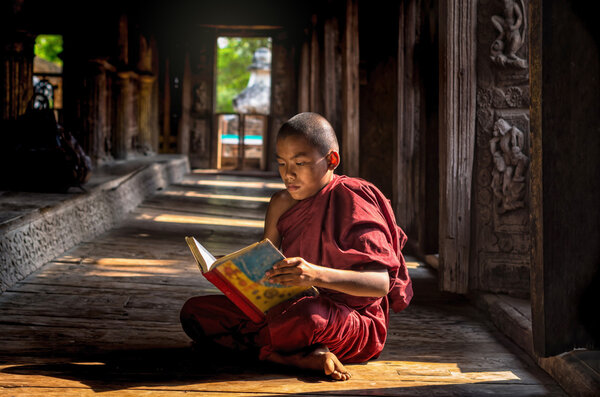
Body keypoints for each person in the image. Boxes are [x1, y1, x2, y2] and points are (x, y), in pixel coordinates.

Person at [180, 112, 413, 381]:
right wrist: (232, 271)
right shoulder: (280, 203)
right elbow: (265, 264)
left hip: (346, 319)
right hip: (285, 309)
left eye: (299, 163)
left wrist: (314, 275)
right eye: (281, 163)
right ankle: (296, 354)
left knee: (308, 317)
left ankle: (275, 352)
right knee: (194, 313)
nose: (288, 174)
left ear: (331, 160)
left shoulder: (354, 200)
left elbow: (380, 284)